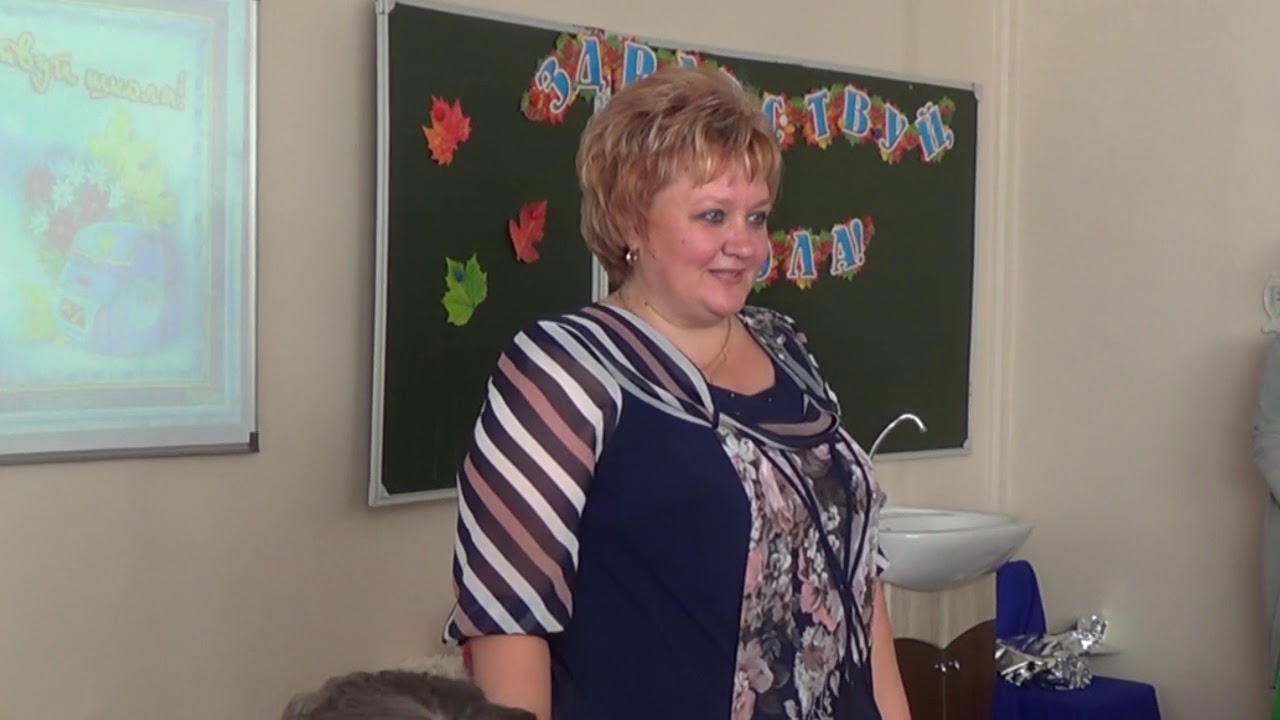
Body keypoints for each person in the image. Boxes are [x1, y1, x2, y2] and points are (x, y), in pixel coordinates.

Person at [441, 63, 911, 720]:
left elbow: (859, 585)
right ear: (631, 221)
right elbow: (506, 621)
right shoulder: (564, 366)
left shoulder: (787, 347)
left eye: (756, 217)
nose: (744, 245)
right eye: (713, 215)